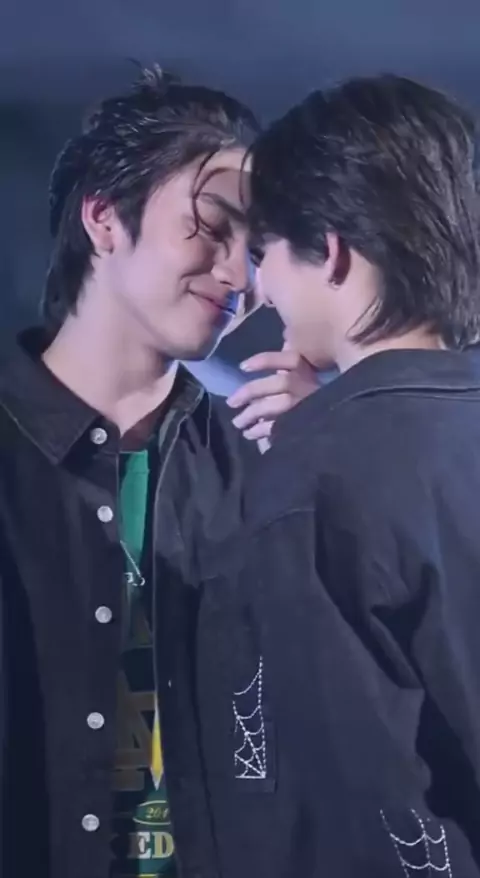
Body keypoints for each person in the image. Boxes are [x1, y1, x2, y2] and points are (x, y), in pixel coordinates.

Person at [0, 68, 318, 878]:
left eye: (256, 248)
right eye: (212, 226)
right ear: (105, 217)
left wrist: (336, 452)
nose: (239, 274)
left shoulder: (259, 462)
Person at [194, 75, 480, 877]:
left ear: (335, 250)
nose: (258, 287)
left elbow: (362, 797)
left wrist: (322, 443)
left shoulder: (314, 481)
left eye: (266, 253)